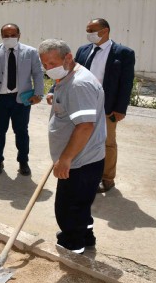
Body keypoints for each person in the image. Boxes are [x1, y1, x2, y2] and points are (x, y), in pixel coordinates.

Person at [39, 38, 106, 254]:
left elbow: (85, 126)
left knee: (68, 209)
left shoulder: (79, 84)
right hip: (82, 158)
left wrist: (65, 158)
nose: (48, 69)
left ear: (68, 58)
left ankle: (73, 246)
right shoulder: (68, 76)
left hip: (79, 160)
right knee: (81, 206)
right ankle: (85, 235)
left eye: (52, 63)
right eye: (45, 65)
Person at [0, 23, 45, 176]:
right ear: (1, 36)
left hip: (21, 99)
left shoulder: (30, 52)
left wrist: (39, 93)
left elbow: (38, 74)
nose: (9, 38)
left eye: (13, 35)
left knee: (21, 131)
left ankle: (23, 161)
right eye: (6, 35)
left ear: (19, 35)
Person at [76, 18, 135, 193]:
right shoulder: (83, 50)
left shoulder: (123, 53)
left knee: (107, 143)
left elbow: (126, 83)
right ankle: (85, 174)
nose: (89, 34)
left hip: (107, 106)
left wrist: (120, 108)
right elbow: (72, 72)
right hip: (83, 103)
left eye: (92, 30)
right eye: (87, 30)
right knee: (82, 140)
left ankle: (107, 179)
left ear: (105, 31)